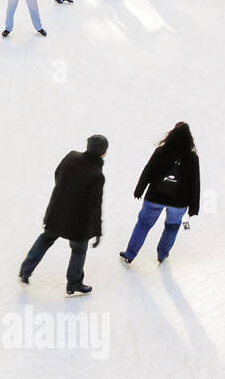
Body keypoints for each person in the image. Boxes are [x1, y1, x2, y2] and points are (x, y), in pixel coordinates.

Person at [17, 135, 109, 295]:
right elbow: (95, 206)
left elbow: (57, 174)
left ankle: (25, 271)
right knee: (79, 250)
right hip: (78, 223)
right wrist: (97, 230)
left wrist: (65, 192)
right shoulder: (97, 175)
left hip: (57, 212)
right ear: (104, 153)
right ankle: (73, 284)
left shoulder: (71, 156)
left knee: (45, 239)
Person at [120, 122, 201, 265]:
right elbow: (195, 183)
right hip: (179, 202)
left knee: (143, 225)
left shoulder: (161, 151)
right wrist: (194, 207)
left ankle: (130, 254)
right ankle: (162, 255)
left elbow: (148, 170)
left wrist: (139, 189)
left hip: (155, 197)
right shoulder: (192, 158)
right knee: (172, 227)